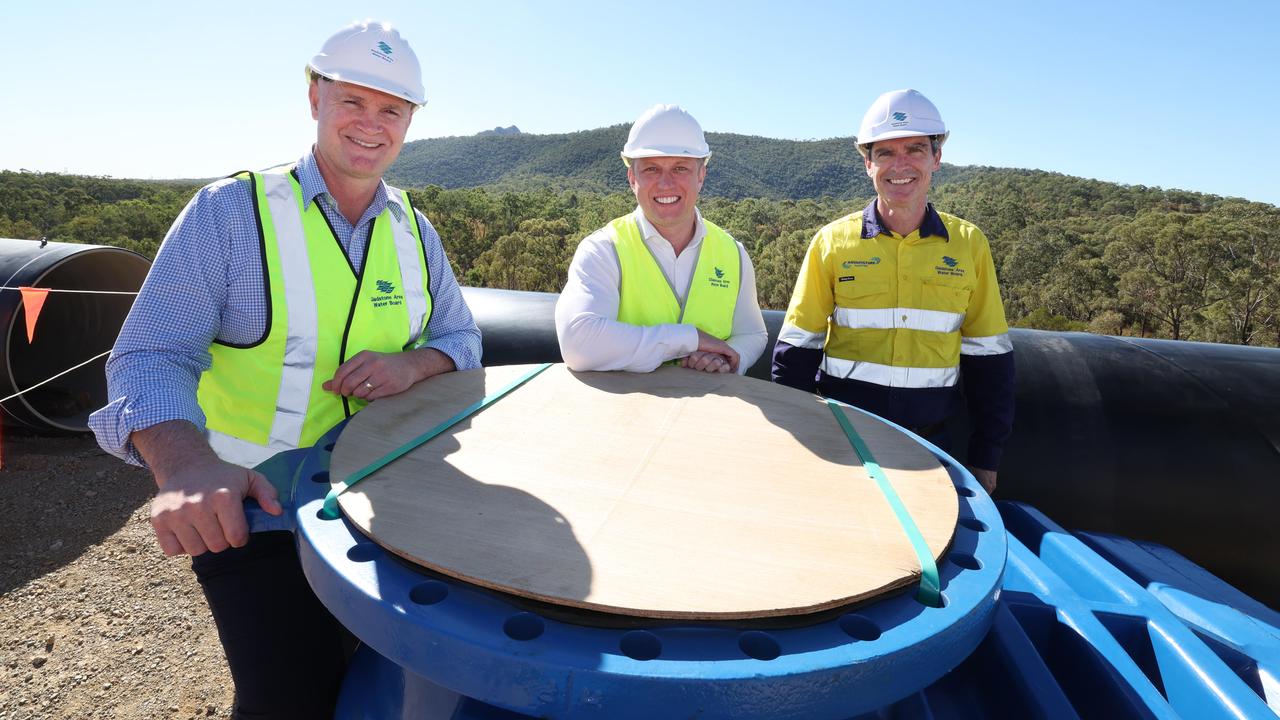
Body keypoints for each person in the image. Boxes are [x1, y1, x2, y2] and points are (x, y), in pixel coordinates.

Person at [88, 20, 482, 718]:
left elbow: (460, 337)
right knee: (290, 696)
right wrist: (184, 467)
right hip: (262, 511)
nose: (371, 124)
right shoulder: (231, 214)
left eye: (391, 109)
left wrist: (414, 362)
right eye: (352, 101)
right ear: (314, 99)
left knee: (380, 681)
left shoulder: (415, 232)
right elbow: (152, 353)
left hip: (387, 505)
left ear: (410, 121)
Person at [771, 89, 1014, 494]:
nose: (900, 165)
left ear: (936, 158)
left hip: (933, 449)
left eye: (915, 149)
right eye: (885, 153)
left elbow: (989, 359)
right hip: (844, 441)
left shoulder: (970, 245)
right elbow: (797, 350)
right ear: (867, 163)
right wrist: (791, 443)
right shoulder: (831, 243)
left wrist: (986, 458)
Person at [556, 104, 767, 375]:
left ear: (701, 175)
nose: (666, 184)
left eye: (680, 168)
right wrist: (688, 339)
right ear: (632, 178)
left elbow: (752, 333)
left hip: (709, 412)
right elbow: (578, 343)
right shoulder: (604, 250)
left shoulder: (733, 253)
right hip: (623, 413)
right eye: (652, 169)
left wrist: (730, 357)